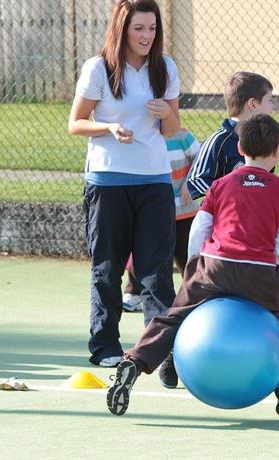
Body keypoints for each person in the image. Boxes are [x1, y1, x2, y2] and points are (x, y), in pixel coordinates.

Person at [107, 114, 279, 419]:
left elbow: (201, 226)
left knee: (173, 317)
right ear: (278, 151)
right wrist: (273, 265)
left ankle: (134, 362)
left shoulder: (221, 184)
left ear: (239, 147)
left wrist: (195, 261)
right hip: (259, 271)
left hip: (216, 266)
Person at [68, 0, 181, 368]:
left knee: (156, 269)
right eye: (139, 29)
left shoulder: (165, 68)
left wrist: (167, 113)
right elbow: (76, 123)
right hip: (107, 182)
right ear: (122, 29)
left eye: (152, 28)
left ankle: (158, 350)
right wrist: (110, 129)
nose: (147, 36)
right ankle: (105, 347)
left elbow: (172, 130)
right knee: (108, 266)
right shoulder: (98, 68)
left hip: (155, 182)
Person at [122, 129, 201, 312]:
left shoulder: (183, 136)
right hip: (152, 211)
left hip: (184, 212)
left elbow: (201, 160)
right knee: (145, 253)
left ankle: (193, 295)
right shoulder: (142, 136)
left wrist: (190, 183)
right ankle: (133, 293)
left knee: (187, 256)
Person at [186, 71, 274, 199]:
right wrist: (229, 196)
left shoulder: (265, 139)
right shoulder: (220, 140)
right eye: (270, 100)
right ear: (253, 104)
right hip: (226, 216)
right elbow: (196, 179)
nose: (273, 106)